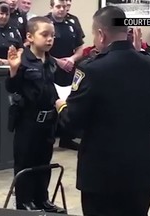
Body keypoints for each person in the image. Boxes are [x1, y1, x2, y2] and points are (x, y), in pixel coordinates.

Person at [56, 6, 150, 216]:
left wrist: (61, 105)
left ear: (101, 34)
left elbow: (72, 122)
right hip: (143, 169)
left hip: (103, 175)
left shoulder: (91, 69)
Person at [5, 16, 65, 213]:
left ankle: (42, 199)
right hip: (28, 122)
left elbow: (51, 89)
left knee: (44, 162)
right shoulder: (22, 60)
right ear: (29, 37)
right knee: (26, 162)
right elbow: (12, 88)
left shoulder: (49, 61)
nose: (50, 39)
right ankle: (24, 201)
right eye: (44, 35)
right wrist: (13, 72)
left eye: (52, 36)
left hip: (48, 122)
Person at [46, 0, 84, 150]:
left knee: (70, 102)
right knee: (51, 102)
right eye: (58, 6)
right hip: (50, 67)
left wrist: (72, 59)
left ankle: (66, 138)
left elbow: (80, 46)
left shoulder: (72, 22)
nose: (62, 9)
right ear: (51, 7)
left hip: (69, 68)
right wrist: (58, 62)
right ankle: (48, 138)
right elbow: (39, 48)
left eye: (64, 6)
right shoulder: (45, 22)